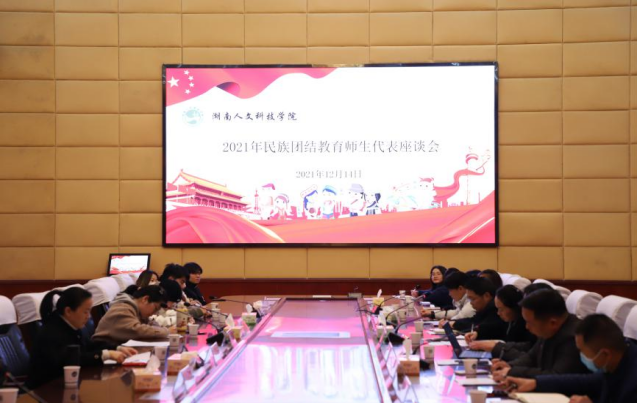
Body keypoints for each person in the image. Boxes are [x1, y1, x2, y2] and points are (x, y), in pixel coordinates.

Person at [503, 314, 637, 403]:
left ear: (605, 354)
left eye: (582, 351)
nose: (580, 355)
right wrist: (535, 383)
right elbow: (586, 381)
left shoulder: (633, 382)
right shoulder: (619, 357)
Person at [27, 287, 136, 389]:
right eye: (85, 311)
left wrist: (117, 348)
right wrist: (106, 354)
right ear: (68, 311)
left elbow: (88, 345)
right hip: (46, 389)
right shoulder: (52, 331)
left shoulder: (69, 324)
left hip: (66, 384)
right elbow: (71, 360)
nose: (89, 316)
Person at [491, 289, 588, 380]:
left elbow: (556, 376)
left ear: (552, 323)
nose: (527, 327)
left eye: (529, 322)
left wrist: (512, 371)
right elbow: (531, 357)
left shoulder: (573, 338)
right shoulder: (547, 329)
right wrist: (509, 365)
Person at [466, 285, 536, 360]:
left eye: (501, 309)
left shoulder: (527, 326)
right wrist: (478, 332)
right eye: (497, 309)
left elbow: (527, 353)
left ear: (514, 307)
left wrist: (496, 346)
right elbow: (496, 327)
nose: (498, 313)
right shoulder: (510, 320)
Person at [92, 285, 172, 346]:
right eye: (155, 308)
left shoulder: (138, 312)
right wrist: (166, 331)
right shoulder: (123, 308)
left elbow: (149, 325)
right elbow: (136, 330)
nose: (154, 313)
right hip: (102, 353)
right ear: (145, 299)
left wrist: (160, 328)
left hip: (117, 350)